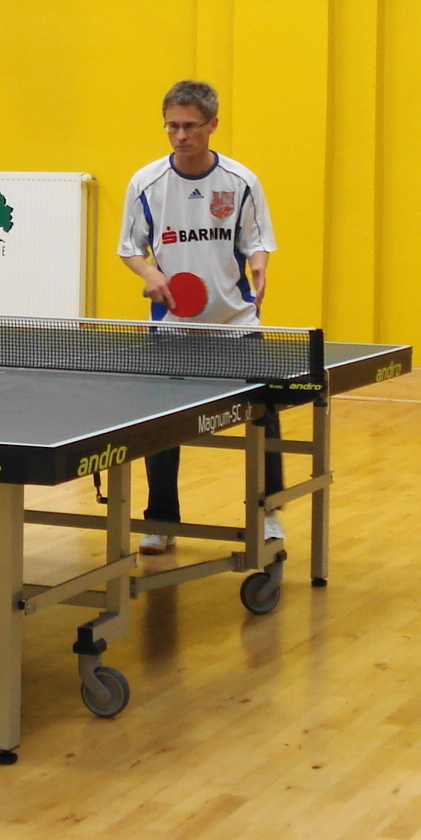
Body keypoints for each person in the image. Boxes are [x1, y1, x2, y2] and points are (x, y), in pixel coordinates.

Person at [118, 79, 285, 555]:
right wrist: (150, 273)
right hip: (173, 328)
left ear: (212, 125)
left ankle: (268, 513)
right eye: (172, 126)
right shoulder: (146, 183)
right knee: (161, 427)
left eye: (190, 126)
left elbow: (257, 239)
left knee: (263, 420)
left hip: (236, 325)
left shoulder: (240, 181)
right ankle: (161, 521)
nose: (180, 135)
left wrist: (259, 264)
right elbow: (129, 248)